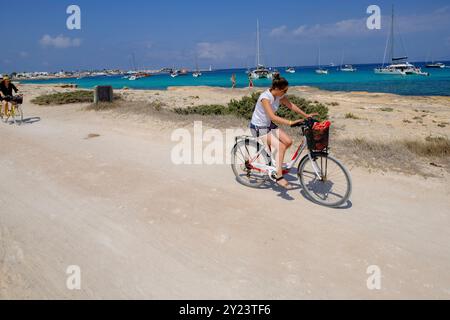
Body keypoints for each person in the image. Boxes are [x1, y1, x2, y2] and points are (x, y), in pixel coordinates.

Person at [249, 74, 318, 189]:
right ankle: (279, 176)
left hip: (268, 125)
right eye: (284, 90)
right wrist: (291, 122)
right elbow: (273, 117)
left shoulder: (279, 96)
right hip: (258, 127)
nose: (285, 93)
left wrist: (306, 116)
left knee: (288, 141)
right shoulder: (265, 98)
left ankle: (276, 163)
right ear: (276, 89)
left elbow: (291, 105)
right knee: (281, 146)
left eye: (286, 90)